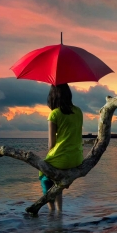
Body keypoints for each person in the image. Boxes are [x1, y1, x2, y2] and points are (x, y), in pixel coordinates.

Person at [39, 83, 83, 211]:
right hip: (77, 158)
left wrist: (49, 157)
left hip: (62, 158)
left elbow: (51, 144)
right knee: (58, 180)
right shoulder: (79, 111)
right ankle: (60, 211)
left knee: (44, 176)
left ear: (53, 95)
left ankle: (52, 211)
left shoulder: (54, 114)